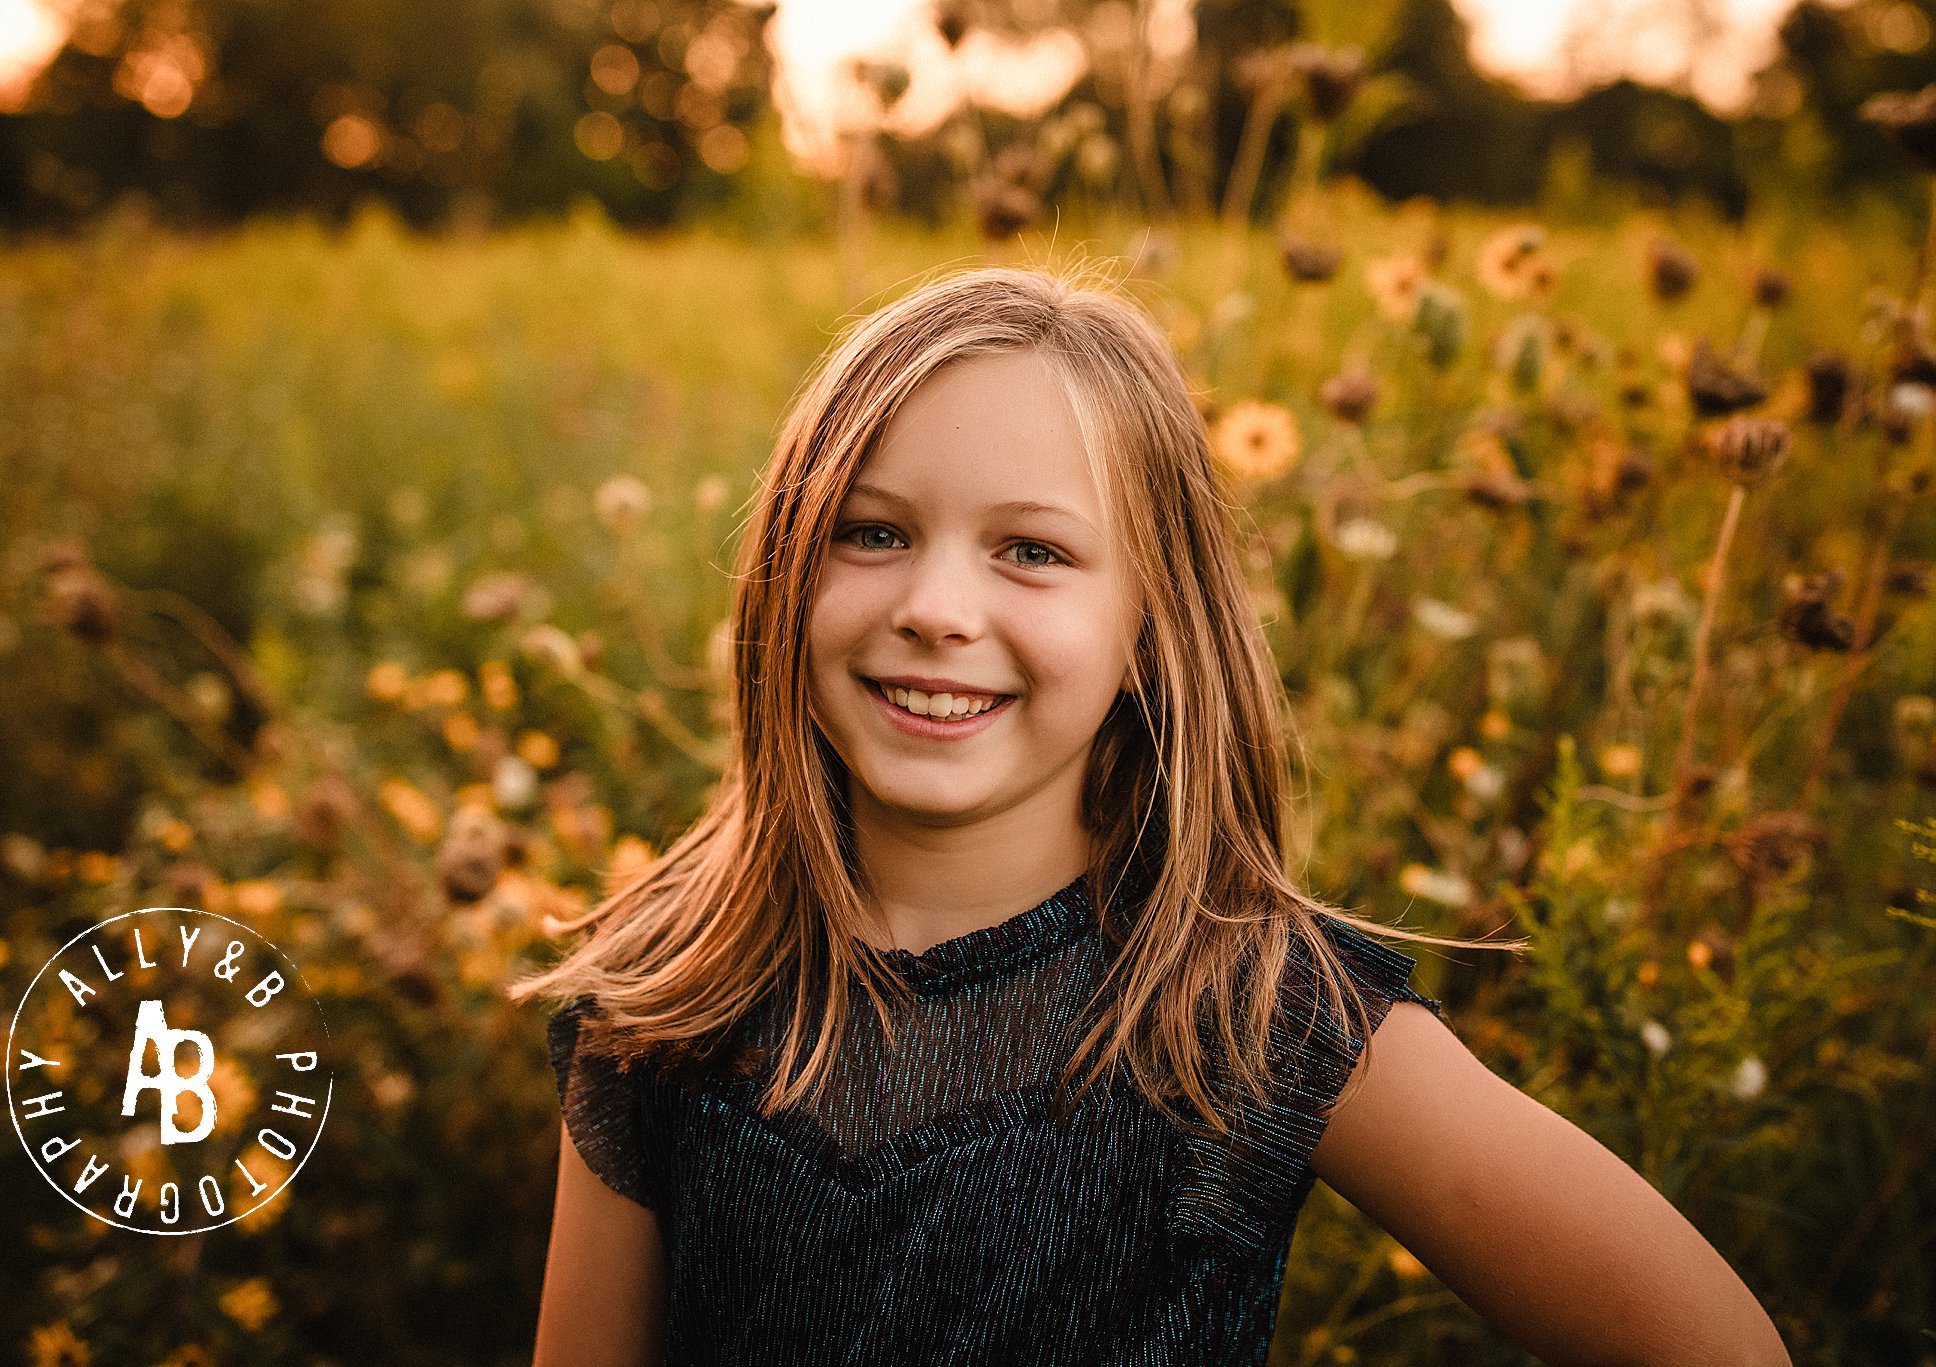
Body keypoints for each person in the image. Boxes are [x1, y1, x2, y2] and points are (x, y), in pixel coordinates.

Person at [507, 263, 1792, 1367]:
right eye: (871, 532)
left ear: (1147, 626)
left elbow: (1708, 1341)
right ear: (786, 565)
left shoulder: (1246, 1005)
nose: (937, 606)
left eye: (1032, 551)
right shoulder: (664, 989)